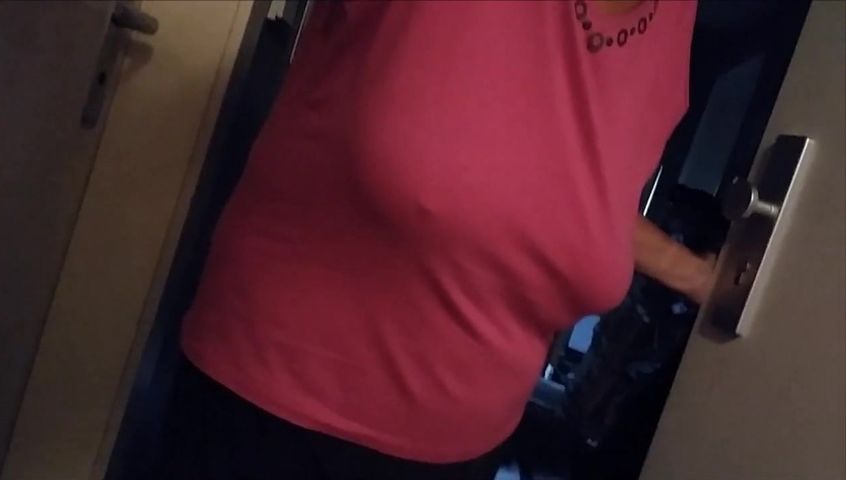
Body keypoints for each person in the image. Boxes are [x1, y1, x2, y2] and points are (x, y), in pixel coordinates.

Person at [177, 1, 707, 479]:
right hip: (279, 407)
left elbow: (561, 196)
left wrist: (696, 275)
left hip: (466, 446)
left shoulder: (675, 17)